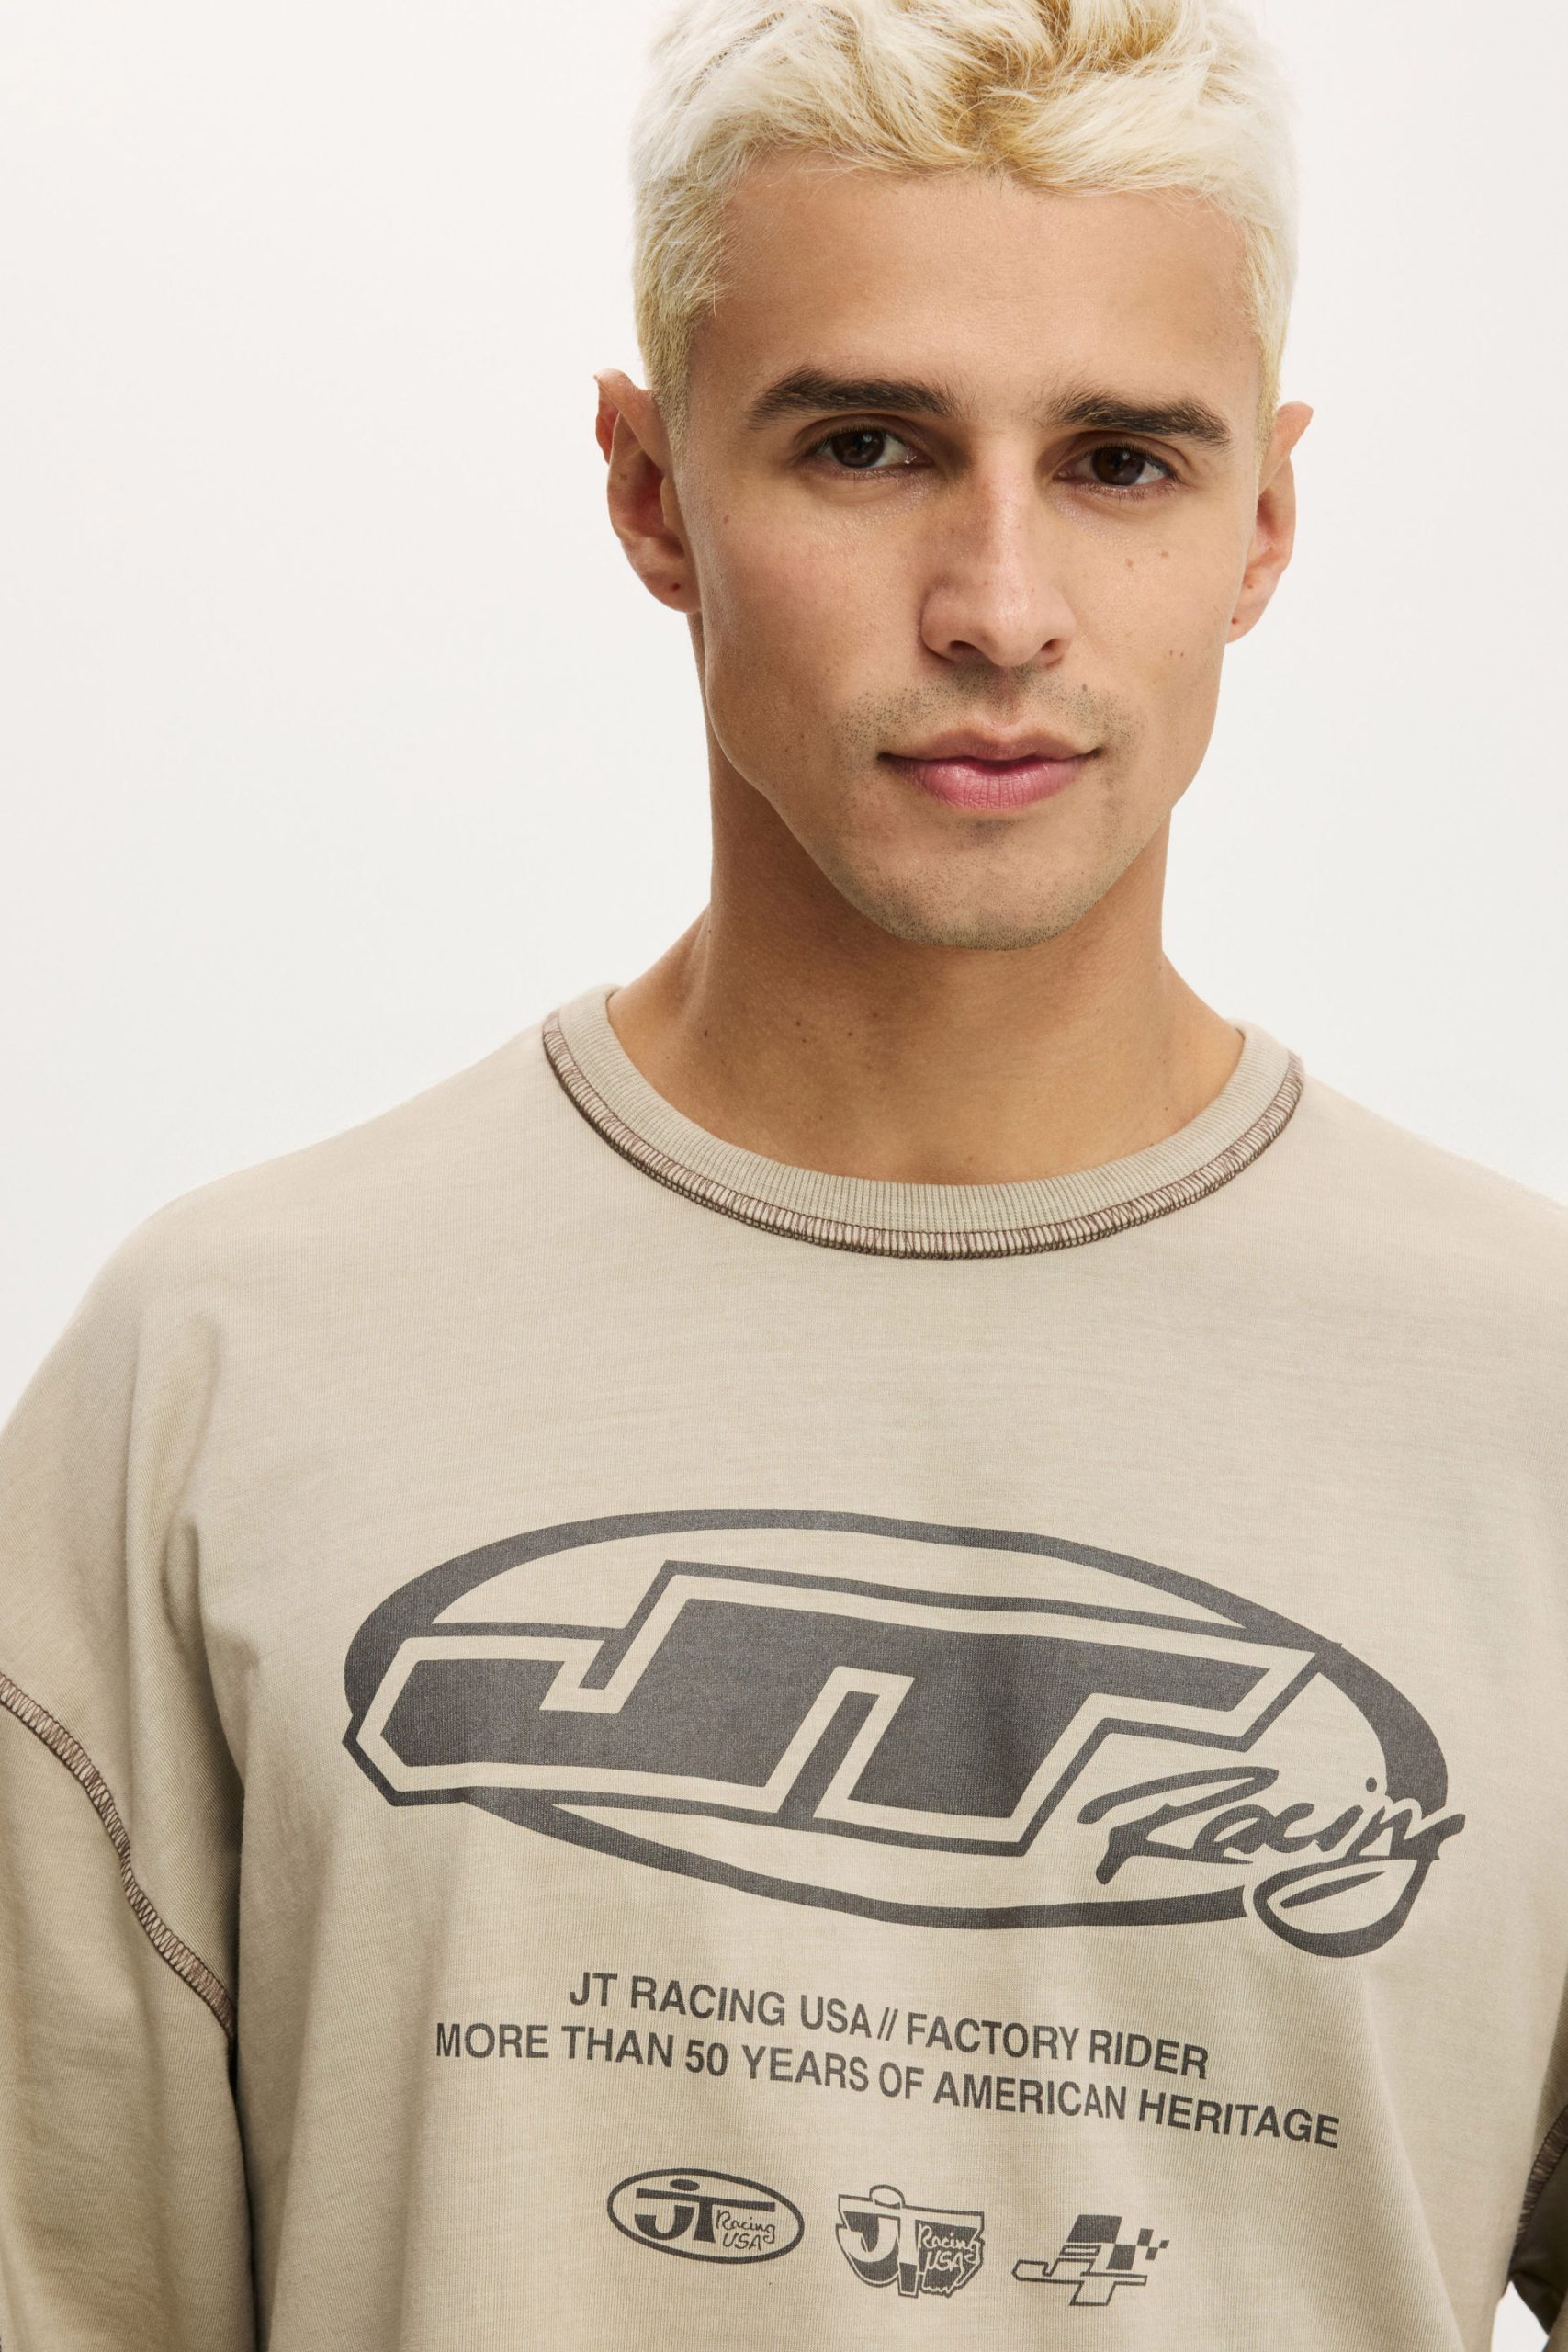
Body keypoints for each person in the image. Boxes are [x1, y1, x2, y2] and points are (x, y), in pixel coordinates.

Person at [1, 0, 1563, 2345]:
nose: (999, 605)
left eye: (1119, 461)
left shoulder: (1527, 1406)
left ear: (1262, 517)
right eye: (863, 444)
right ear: (650, 489)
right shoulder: (220, 1377)